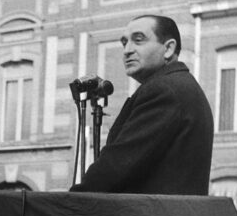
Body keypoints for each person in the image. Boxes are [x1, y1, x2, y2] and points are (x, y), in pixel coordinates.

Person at [70, 15, 213, 195]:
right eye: (124, 43)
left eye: (138, 40)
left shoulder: (163, 90)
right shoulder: (178, 85)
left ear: (168, 48)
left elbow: (117, 165)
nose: (127, 50)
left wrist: (68, 203)